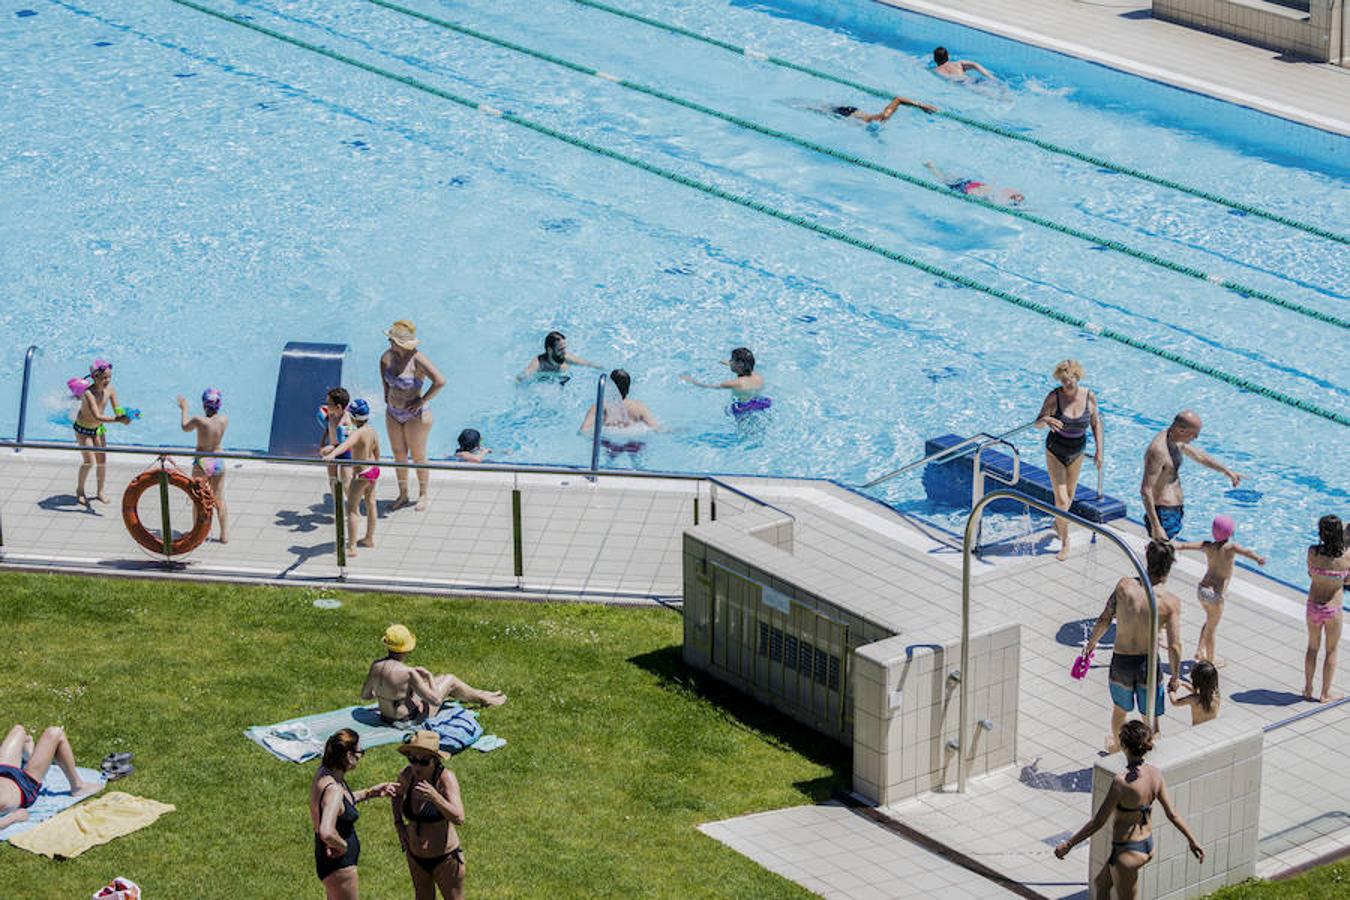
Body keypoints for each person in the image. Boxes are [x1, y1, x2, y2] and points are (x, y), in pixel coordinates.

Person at [1054, 720, 1203, 900]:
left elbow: (1098, 822)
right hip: (1146, 844)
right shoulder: (1155, 774)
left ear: (1124, 746)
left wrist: (1068, 845)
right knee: (1101, 884)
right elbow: (1172, 814)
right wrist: (1192, 840)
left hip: (1127, 852)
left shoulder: (1121, 782)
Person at [1080, 541, 1183, 752]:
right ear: (1169, 566)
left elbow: (1105, 618)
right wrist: (1175, 675)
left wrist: (1091, 644)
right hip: (1148, 665)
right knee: (1150, 716)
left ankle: (1118, 748)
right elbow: (1174, 646)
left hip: (1121, 661)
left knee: (1120, 710)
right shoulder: (1170, 602)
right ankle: (1149, 753)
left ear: (1147, 560)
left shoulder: (1124, 586)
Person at [309, 729, 396, 900]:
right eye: (360, 752)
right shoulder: (333, 790)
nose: (361, 756)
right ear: (349, 755)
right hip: (340, 866)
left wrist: (371, 792)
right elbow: (326, 830)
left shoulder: (325, 774)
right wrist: (343, 846)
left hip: (329, 863)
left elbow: (341, 805)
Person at [362, 625, 506, 725]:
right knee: (449, 680)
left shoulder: (375, 665)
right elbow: (436, 701)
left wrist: (386, 694)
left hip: (385, 718)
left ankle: (482, 694)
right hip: (407, 720)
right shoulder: (408, 672)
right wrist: (429, 676)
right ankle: (485, 699)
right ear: (407, 648)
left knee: (442, 679)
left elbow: (365, 695)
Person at [1033, 359, 1103, 561]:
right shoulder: (1054, 397)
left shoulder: (1089, 396)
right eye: (1063, 380)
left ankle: (1058, 523)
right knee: (1062, 499)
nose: (1067, 384)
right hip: (1055, 449)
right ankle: (1065, 542)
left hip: (1077, 450)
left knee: (1069, 497)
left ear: (1077, 377)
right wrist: (1045, 419)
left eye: (1070, 379)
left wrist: (1099, 450)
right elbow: (1037, 423)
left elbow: (1095, 423)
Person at [1174, 515, 1265, 666]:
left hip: (1202, 590)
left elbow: (1185, 546)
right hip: (1215, 595)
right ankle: (1211, 660)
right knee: (1212, 629)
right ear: (1230, 532)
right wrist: (1258, 559)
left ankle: (1199, 650)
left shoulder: (1208, 545)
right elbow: (1247, 552)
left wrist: (1172, 545)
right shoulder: (1231, 548)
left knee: (1209, 621)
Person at [1140, 410, 1241, 543]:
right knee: (1161, 558)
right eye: (1194, 434)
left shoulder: (1175, 439)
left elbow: (1198, 456)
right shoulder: (1158, 451)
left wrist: (1226, 471)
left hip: (1172, 511)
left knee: (1164, 556)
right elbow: (1146, 490)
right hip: (1163, 515)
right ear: (1181, 430)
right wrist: (1156, 526)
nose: (1196, 438)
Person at [381, 320, 447, 512]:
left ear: (400, 342)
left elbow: (440, 381)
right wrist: (386, 393)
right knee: (398, 454)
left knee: (418, 456)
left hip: (415, 415)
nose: (389, 343)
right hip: (393, 412)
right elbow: (383, 374)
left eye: (392, 340)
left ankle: (423, 494)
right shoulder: (387, 356)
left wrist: (422, 400)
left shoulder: (417, 359)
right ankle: (402, 493)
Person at [393, 731, 467, 900]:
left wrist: (435, 797)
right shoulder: (407, 775)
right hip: (415, 856)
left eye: (424, 761)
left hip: (445, 859)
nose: (417, 766)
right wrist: (398, 824)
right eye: (413, 760)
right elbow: (396, 794)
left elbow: (459, 817)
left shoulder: (445, 779)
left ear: (435, 760)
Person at [0, 725, 102, 830]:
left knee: (19, 730)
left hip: (4, 772)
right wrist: (14, 817)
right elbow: (21, 814)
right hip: (24, 787)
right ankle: (78, 786)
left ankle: (30, 756)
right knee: (55, 733)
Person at [321, 399, 380, 556]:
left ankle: (352, 547)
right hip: (373, 471)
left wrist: (332, 454)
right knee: (371, 503)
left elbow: (345, 446)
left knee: (352, 509)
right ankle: (369, 539)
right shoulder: (372, 431)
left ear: (353, 417)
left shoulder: (358, 433)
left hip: (361, 474)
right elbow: (377, 453)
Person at [72, 359, 132, 505]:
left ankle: (100, 491)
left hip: (98, 429)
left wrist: (125, 415)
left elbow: (117, 408)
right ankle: (80, 490)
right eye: (104, 377)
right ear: (94, 377)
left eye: (109, 377)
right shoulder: (88, 394)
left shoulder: (110, 390)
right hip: (83, 429)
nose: (107, 380)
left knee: (102, 462)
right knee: (88, 462)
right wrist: (118, 420)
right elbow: (97, 415)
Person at [1304, 514, 1348, 702]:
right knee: (1331, 650)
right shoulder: (1346, 557)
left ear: (1321, 533)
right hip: (1333, 609)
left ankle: (1307, 688)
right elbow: (1347, 581)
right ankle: (1325, 693)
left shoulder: (1312, 552)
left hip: (1313, 605)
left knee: (1312, 648)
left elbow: (1309, 573)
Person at [178, 388, 230, 543]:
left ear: (203, 405)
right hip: (218, 461)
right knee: (219, 499)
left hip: (203, 462)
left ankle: (197, 533)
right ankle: (224, 535)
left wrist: (184, 408)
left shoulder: (199, 421)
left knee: (198, 498)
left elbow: (184, 427)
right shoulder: (224, 420)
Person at [681, 347, 770, 417]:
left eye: (732, 360)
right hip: (759, 404)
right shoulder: (758, 377)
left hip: (743, 409)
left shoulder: (734, 383)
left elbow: (709, 386)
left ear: (739, 365)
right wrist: (728, 363)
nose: (730, 361)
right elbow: (745, 367)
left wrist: (693, 381)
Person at [580, 369, 662, 436]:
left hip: (610, 442)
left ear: (610, 388)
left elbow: (584, 430)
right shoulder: (639, 407)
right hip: (634, 443)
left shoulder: (601, 406)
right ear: (628, 389)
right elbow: (656, 428)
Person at [923, 160, 1025, 205]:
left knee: (947, 178)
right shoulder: (1002, 198)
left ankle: (932, 166)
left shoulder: (1003, 195)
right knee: (944, 179)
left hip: (974, 185)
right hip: (969, 189)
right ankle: (931, 166)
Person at [518, 331, 603, 382]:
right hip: (544, 382)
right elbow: (521, 377)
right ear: (550, 350)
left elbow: (590, 364)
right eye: (560, 349)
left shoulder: (567, 358)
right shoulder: (539, 363)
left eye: (564, 348)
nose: (564, 352)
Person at [320, 387, 354, 494]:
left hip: (346, 452)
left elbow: (350, 441)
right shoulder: (331, 414)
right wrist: (323, 440)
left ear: (338, 407)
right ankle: (337, 505)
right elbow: (329, 427)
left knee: (347, 484)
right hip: (333, 450)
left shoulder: (347, 421)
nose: (326, 405)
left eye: (328, 403)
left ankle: (352, 508)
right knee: (333, 480)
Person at [1168, 660, 1220, 726]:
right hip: (1212, 726)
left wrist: (1171, 690)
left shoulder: (1194, 699)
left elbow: (1175, 702)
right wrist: (1184, 684)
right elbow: (1201, 691)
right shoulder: (1216, 693)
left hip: (1198, 728)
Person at [829, 95, 937, 122]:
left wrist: (922, 106)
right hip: (846, 114)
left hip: (854, 112)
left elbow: (899, 100)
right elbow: (898, 99)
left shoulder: (884, 117)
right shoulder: (884, 117)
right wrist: (922, 106)